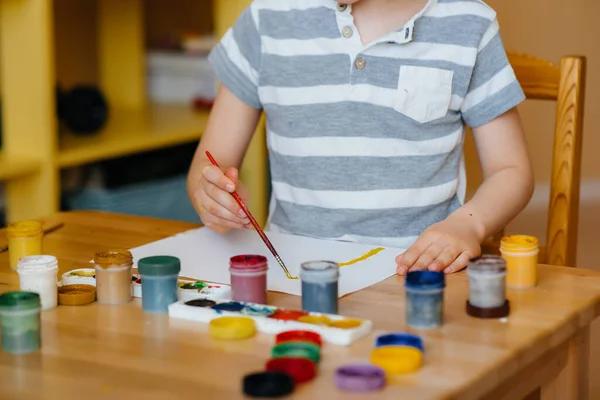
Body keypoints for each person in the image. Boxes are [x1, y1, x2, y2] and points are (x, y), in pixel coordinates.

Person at [187, 0, 534, 275]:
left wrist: (467, 227)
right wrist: (211, 194)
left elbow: (511, 171)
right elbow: (211, 161)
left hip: (418, 273)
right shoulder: (267, 19)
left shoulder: (469, 25)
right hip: (294, 275)